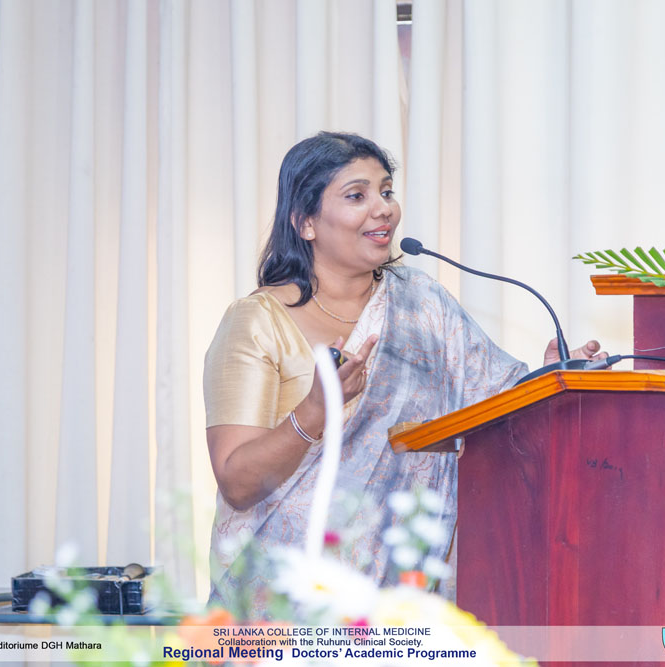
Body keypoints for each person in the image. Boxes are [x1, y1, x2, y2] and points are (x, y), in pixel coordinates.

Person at [203, 131, 604, 615]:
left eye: (386, 191)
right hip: (286, 605)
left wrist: (550, 378)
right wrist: (313, 412)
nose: (384, 209)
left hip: (404, 598)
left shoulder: (421, 303)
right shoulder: (257, 322)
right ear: (305, 222)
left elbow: (495, 408)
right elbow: (238, 482)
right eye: (357, 196)